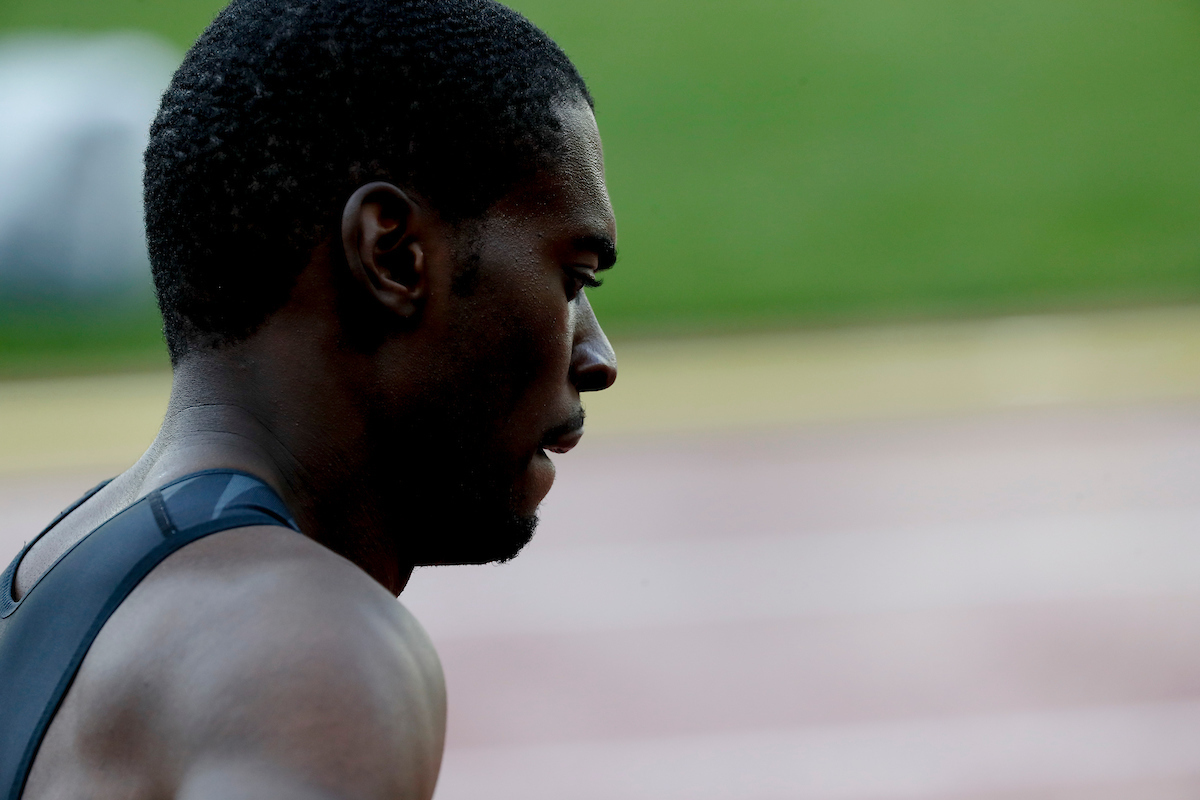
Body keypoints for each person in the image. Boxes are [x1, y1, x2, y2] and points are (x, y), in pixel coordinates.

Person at [0, 0, 617, 797]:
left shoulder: (45, 580)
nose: (597, 356)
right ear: (393, 255)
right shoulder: (305, 652)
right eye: (571, 278)